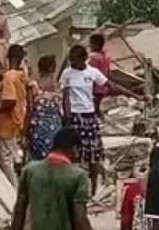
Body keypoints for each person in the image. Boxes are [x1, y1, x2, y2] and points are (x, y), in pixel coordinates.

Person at [61, 43, 132, 195]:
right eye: (71, 60)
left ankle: (93, 189)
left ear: (83, 59)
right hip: (75, 116)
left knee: (93, 155)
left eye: (74, 60)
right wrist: (68, 119)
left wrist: (134, 95)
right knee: (74, 154)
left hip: (89, 116)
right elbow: (66, 97)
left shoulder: (92, 72)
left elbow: (111, 85)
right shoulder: (67, 74)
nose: (72, 63)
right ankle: (73, 189)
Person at [0, 44, 30, 180]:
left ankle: (12, 186)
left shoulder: (8, 77)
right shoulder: (22, 75)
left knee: (5, 159)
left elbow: (10, 102)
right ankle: (19, 173)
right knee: (13, 151)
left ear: (9, 58)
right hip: (18, 119)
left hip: (6, 122)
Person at [26, 55, 64, 161]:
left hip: (39, 126)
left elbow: (30, 109)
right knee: (54, 158)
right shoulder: (59, 87)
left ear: (39, 68)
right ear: (54, 68)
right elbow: (62, 110)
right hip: (56, 126)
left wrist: (25, 129)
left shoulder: (33, 86)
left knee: (38, 158)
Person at [88, 33, 112, 119]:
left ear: (95, 45)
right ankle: (102, 121)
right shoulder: (106, 56)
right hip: (103, 88)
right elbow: (108, 72)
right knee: (97, 108)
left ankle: (97, 122)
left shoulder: (93, 57)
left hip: (94, 88)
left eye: (91, 43)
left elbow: (90, 74)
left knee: (93, 109)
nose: (89, 45)